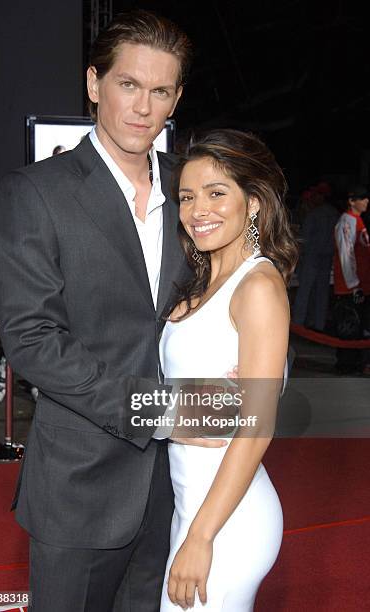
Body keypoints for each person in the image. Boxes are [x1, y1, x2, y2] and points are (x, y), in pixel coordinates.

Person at [0, 10, 223, 612]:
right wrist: (159, 411)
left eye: (161, 91)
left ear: (176, 99)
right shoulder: (36, 191)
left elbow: (240, 290)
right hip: (81, 483)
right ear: (94, 84)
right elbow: (32, 339)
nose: (144, 108)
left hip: (181, 485)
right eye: (128, 85)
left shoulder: (192, 190)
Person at [159, 129, 298, 610]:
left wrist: (200, 538)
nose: (199, 210)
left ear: (254, 203)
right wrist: (181, 411)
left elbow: (255, 428)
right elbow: (203, 403)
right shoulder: (201, 282)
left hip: (226, 522)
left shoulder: (257, 284)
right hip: (191, 507)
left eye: (217, 193)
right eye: (187, 196)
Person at [333, 184, 370, 375]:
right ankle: (346, 366)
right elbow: (346, 256)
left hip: (361, 286)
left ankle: (356, 364)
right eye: (362, 198)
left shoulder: (359, 221)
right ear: (352, 201)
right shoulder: (347, 222)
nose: (366, 201)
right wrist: (354, 285)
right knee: (349, 330)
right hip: (350, 289)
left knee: (359, 330)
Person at [292, 190, 339, 331]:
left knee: (305, 291)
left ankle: (298, 324)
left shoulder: (314, 215)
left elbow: (304, 238)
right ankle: (319, 324)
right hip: (327, 256)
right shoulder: (335, 213)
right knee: (322, 293)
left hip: (312, 256)